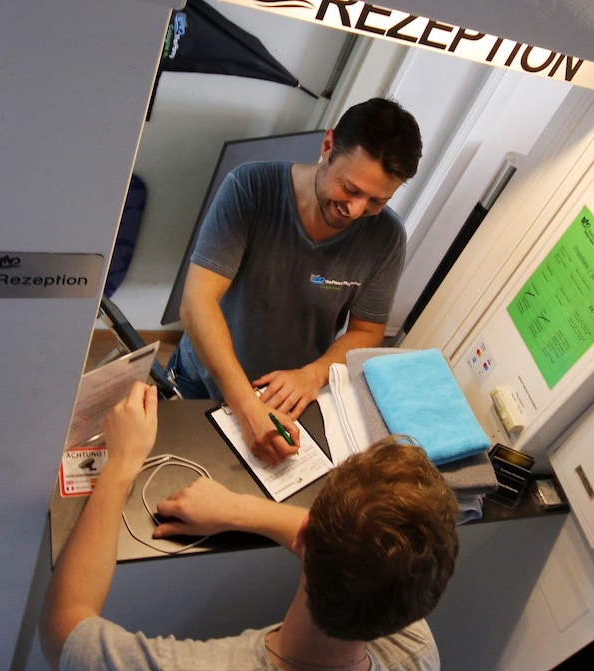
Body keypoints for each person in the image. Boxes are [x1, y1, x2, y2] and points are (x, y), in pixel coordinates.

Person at [40, 381, 460, 671]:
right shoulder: (417, 664)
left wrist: (122, 462)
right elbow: (368, 550)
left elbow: (63, 631)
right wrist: (236, 510)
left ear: (303, 535)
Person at [168, 97, 423, 466]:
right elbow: (197, 303)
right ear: (327, 145)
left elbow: (366, 330)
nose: (355, 210)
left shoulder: (386, 237)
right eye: (350, 189)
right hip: (202, 383)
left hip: (286, 399)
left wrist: (312, 375)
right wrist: (246, 406)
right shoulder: (251, 189)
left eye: (376, 201)